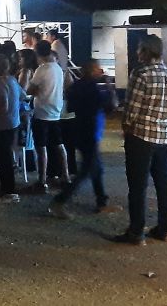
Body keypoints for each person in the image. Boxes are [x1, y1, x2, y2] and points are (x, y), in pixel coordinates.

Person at [113, 35, 167, 245]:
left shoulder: (140, 74)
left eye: (139, 49)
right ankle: (166, 229)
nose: (137, 53)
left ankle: (136, 232)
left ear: (145, 51)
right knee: (164, 183)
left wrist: (127, 129)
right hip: (166, 139)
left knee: (138, 186)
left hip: (141, 137)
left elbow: (131, 110)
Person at [49, 60, 120, 218]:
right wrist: (109, 86)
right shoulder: (93, 89)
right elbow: (112, 105)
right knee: (86, 170)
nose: (101, 71)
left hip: (78, 130)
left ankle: (101, 202)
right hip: (90, 132)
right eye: (98, 69)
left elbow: (70, 107)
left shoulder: (75, 86)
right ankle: (59, 201)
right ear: (92, 71)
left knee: (96, 169)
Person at [27, 40, 70, 193]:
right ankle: (66, 176)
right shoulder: (57, 68)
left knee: (41, 147)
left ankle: (42, 180)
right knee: (59, 145)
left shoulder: (42, 70)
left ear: (37, 53)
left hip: (42, 112)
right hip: (56, 112)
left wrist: (36, 89)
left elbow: (30, 90)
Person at [0, 55, 21, 204]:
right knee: (6, 157)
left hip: (1, 124)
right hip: (13, 122)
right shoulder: (13, 80)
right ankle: (8, 189)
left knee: (3, 159)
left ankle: (8, 191)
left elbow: (3, 106)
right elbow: (23, 95)